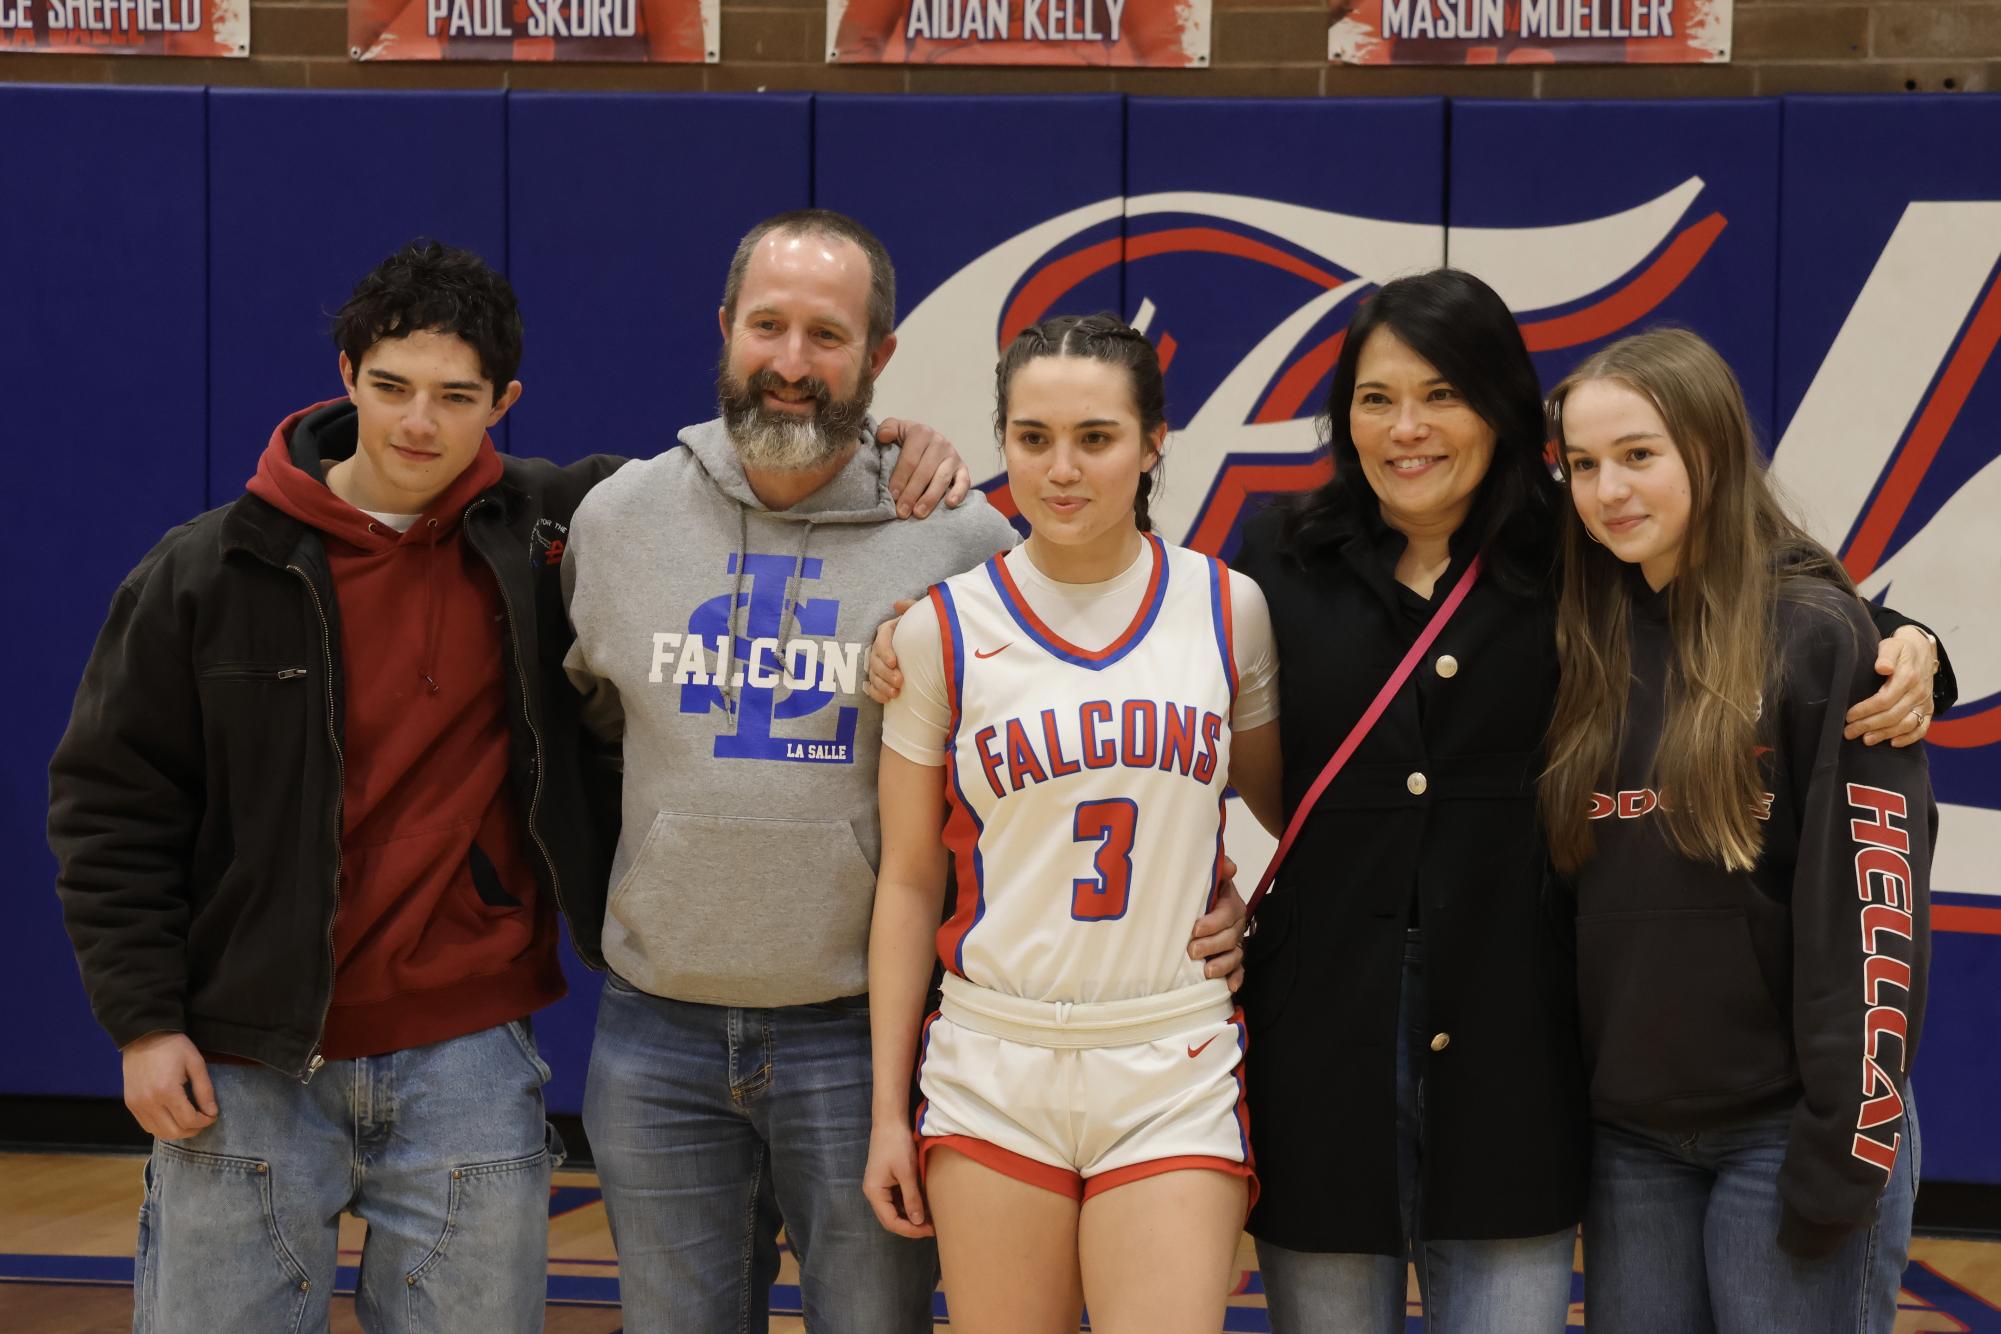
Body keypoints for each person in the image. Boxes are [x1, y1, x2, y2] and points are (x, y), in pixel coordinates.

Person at [45, 238, 968, 1334]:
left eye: (455, 396)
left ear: (504, 403)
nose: (417, 424)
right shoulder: (213, 569)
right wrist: (143, 1019)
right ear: (345, 375)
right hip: (249, 1051)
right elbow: (111, 806)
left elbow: (781, 451)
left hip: (472, 1053)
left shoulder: (547, 527)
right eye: (390, 387)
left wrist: (902, 440)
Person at [1223, 271, 1949, 1333]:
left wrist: (1917, 644)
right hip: (1349, 1033)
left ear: (1500, 409)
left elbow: (1785, 601)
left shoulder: (1568, 557)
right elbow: (1160, 722)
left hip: (1531, 1038)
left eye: (1442, 393)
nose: (1406, 426)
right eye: (1375, 398)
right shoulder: (1278, 556)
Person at [560, 216, 1251, 1332]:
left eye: (826, 334)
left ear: (879, 358)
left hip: (858, 1034)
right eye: (767, 325)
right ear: (723, 332)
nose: (791, 360)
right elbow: (587, 728)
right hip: (657, 1032)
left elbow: (1101, 764)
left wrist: (1203, 892)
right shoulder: (616, 519)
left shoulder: (960, 541)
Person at [861, 312, 1283, 1334]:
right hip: (992, 1058)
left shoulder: (1229, 609)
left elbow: (1282, 813)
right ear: (1002, 439)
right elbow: (911, 880)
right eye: (1032, 437)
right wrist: (886, 1111)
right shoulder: (941, 628)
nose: (1061, 468)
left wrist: (1246, 907)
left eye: (1096, 437)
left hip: (1170, 1052)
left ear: (1153, 443)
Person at [1542, 327, 1930, 1333]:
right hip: (1631, 1141)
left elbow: (1875, 923)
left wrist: (1849, 1143)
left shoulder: (1823, 637)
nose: (1607, 490)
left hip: (1790, 1129)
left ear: (1709, 451)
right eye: (1582, 465)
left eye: (1638, 454)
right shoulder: (1582, 636)